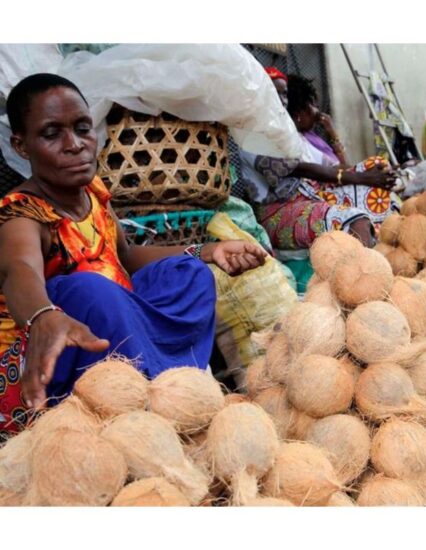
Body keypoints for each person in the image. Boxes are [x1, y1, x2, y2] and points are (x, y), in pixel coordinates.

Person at [0, 73, 267, 437]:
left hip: (115, 330)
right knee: (87, 290)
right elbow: (20, 270)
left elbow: (124, 254)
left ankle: (166, 384)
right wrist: (43, 316)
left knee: (188, 274)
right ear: (21, 145)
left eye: (82, 128)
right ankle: (138, 396)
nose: (74, 144)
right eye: (51, 133)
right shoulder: (20, 213)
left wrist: (208, 251)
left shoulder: (92, 193)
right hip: (50, 356)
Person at [239, 68, 400, 250]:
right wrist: (362, 177)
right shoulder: (251, 135)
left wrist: (369, 174)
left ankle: (387, 255)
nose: (282, 101)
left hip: (311, 196)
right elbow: (302, 168)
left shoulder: (285, 133)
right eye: (275, 94)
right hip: (276, 212)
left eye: (285, 94)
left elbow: (332, 167)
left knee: (378, 189)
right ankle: (366, 273)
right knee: (355, 220)